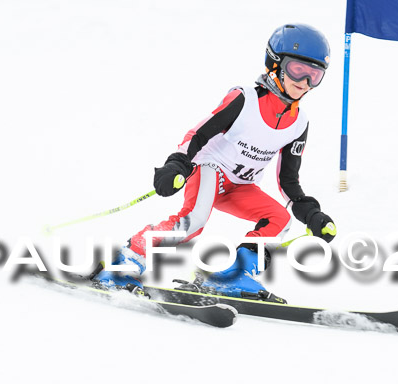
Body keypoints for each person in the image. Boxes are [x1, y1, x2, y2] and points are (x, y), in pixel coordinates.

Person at [92, 23, 336, 297]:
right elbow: (198, 134)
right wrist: (177, 164)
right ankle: (125, 262)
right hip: (209, 170)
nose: (304, 83)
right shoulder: (245, 99)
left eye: (314, 76)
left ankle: (233, 276)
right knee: (193, 221)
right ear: (274, 64)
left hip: (240, 187)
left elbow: (288, 180)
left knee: (278, 218)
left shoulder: (298, 123)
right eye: (297, 70)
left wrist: (311, 214)